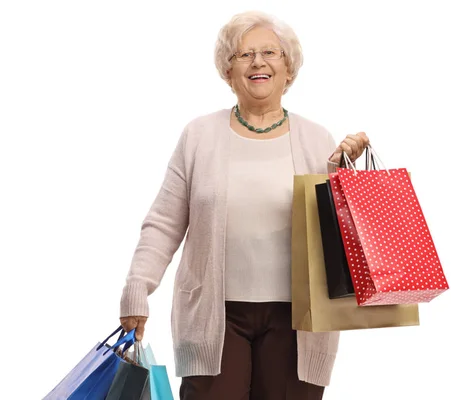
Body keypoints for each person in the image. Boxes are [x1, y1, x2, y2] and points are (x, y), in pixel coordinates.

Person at [119, 10, 370, 400]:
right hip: (214, 317)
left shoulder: (317, 139)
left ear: (289, 69)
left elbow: (342, 239)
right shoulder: (199, 136)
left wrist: (344, 175)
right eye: (244, 54)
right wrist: (138, 287)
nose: (258, 62)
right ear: (227, 71)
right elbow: (164, 222)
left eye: (270, 52)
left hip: (299, 318)